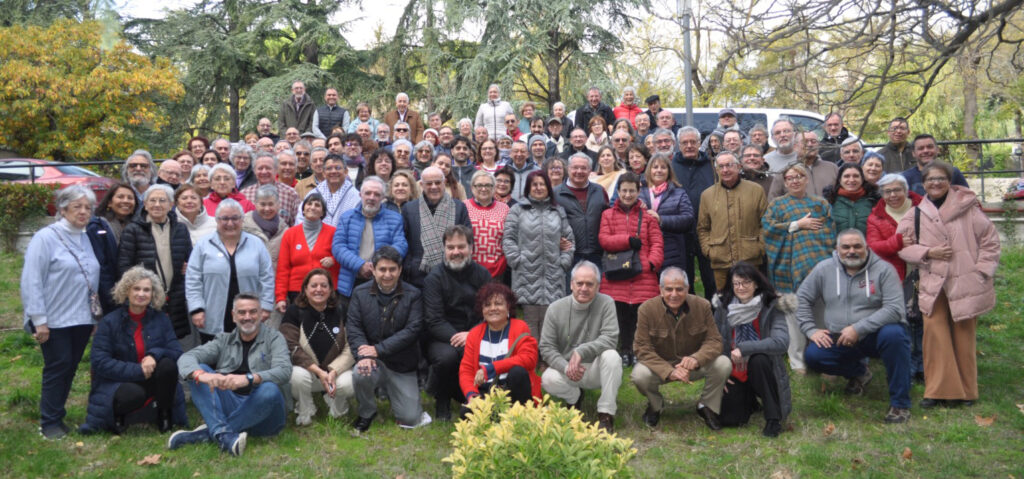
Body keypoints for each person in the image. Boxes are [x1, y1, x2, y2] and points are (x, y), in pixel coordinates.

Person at [897, 161, 1000, 408]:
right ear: (923, 184)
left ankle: (966, 392)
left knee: (964, 336)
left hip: (966, 282)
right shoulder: (916, 213)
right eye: (930, 179)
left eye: (941, 178)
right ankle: (937, 391)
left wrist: (982, 272)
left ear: (950, 181)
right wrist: (929, 252)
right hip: (933, 282)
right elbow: (903, 247)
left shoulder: (969, 209)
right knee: (935, 336)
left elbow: (990, 241)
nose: (935, 183)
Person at [797, 229, 912, 423]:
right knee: (814, 355)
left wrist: (858, 328)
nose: (852, 251)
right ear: (837, 249)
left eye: (857, 246)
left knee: (896, 336)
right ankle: (860, 373)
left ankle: (899, 404)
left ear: (866, 248)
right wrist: (811, 329)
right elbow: (801, 298)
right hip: (840, 335)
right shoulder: (824, 269)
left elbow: (895, 309)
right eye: (846, 247)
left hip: (877, 335)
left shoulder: (884, 270)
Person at [22, 185, 101, 439]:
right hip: (53, 318)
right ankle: (49, 422)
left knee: (70, 367)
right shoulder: (45, 237)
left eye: (87, 207)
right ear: (63, 209)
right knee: (58, 367)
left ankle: (57, 415)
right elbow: (31, 279)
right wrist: (39, 320)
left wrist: (94, 318)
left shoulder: (86, 236)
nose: (83, 212)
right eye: (77, 206)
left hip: (81, 317)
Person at [169, 294, 290, 456]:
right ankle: (224, 436)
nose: (247, 317)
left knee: (269, 389)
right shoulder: (223, 340)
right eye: (242, 312)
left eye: (253, 312)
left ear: (261, 314)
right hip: (231, 404)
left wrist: (248, 379)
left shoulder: (275, 338)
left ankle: (207, 433)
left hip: (266, 414)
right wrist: (201, 375)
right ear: (233, 316)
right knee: (201, 369)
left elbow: (284, 370)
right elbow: (186, 358)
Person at [80, 266, 186, 435]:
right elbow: (100, 362)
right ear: (126, 291)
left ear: (153, 294)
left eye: (147, 290)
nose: (141, 294)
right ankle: (118, 416)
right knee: (133, 394)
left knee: (167, 365)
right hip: (118, 381)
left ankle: (164, 416)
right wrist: (138, 370)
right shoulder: (109, 322)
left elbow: (176, 351)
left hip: (151, 377)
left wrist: (154, 355)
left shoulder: (161, 319)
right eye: (136, 288)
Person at [631, 267, 732, 430]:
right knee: (639, 375)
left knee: (723, 363)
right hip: (661, 367)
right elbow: (642, 348)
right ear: (660, 290)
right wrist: (668, 370)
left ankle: (706, 406)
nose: (674, 294)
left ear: (687, 289)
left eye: (679, 289)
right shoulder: (646, 309)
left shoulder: (702, 305)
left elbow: (714, 341)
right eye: (669, 289)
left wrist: (696, 358)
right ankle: (656, 406)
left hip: (692, 365)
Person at [347, 246, 431, 431]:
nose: (387, 274)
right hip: (371, 360)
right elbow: (354, 328)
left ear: (400, 270)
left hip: (401, 364)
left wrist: (378, 349)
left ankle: (393, 393)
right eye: (382, 269)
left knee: (410, 418)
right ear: (374, 270)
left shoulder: (414, 295)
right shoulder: (359, 293)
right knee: (360, 373)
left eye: (392, 269)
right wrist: (365, 355)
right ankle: (367, 411)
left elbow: (413, 330)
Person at [761, 162, 835, 372]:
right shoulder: (777, 205)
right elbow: (768, 229)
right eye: (790, 178)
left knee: (820, 313)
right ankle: (798, 360)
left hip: (817, 268)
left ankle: (821, 356)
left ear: (806, 179)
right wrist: (796, 226)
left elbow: (828, 234)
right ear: (784, 182)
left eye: (799, 177)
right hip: (786, 269)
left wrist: (819, 263)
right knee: (792, 316)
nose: (794, 181)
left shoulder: (820, 204)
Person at [712, 263, 793, 437]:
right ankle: (750, 400)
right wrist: (720, 373)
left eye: (746, 282)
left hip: (763, 369)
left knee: (758, 359)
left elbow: (781, 342)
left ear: (756, 283)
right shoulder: (723, 306)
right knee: (730, 420)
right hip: (734, 369)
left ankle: (773, 418)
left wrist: (744, 348)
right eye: (736, 284)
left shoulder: (771, 305)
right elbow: (715, 341)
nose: (741, 288)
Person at [539, 261, 621, 432]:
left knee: (612, 357)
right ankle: (574, 398)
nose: (584, 288)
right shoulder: (555, 309)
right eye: (579, 283)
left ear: (598, 286)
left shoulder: (607, 303)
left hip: (596, 368)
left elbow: (610, 338)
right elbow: (546, 347)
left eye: (589, 284)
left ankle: (605, 415)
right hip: (568, 369)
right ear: (571, 284)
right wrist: (566, 366)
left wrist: (581, 351)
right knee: (547, 378)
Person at [422, 226, 493, 420]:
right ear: (444, 249)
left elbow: (491, 311)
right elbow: (433, 319)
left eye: (461, 246)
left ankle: (474, 395)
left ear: (471, 247)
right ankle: (442, 399)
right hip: (443, 337)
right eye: (450, 247)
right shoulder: (433, 278)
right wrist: (459, 338)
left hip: (477, 332)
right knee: (447, 358)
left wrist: (472, 334)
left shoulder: (483, 275)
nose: (456, 252)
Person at [186, 199, 275, 343]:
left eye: (235, 218)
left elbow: (267, 277)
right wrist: (197, 309)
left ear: (242, 220)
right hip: (212, 314)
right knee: (214, 358)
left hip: (248, 315)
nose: (230, 223)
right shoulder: (203, 245)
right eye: (224, 218)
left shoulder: (256, 244)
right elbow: (193, 280)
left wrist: (265, 306)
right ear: (216, 220)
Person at [599, 172, 664, 366]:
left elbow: (657, 244)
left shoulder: (648, 218)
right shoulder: (607, 215)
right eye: (624, 190)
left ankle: (638, 350)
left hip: (642, 273)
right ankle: (624, 350)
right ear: (618, 191)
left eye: (632, 190)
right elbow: (604, 240)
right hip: (617, 273)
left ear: (638, 192)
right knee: (620, 316)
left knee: (639, 316)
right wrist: (627, 241)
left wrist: (651, 264)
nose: (628, 194)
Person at [503, 171, 575, 340]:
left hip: (553, 272)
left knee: (550, 319)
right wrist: (516, 261)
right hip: (526, 273)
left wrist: (563, 262)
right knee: (530, 319)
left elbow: (569, 240)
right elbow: (508, 238)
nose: (538, 188)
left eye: (542, 184)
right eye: (534, 184)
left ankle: (547, 357)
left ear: (548, 187)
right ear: (528, 187)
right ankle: (531, 356)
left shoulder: (557, 211)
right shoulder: (517, 210)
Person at [867, 174, 925, 381]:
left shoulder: (922, 207)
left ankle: (924, 366)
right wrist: (898, 241)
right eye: (887, 191)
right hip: (898, 276)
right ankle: (909, 365)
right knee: (906, 321)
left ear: (906, 190)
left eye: (897, 190)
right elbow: (874, 247)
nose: (893, 195)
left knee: (924, 320)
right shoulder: (876, 217)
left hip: (926, 270)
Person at [118, 184, 193, 340]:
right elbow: (124, 266)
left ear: (171, 205)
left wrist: (188, 267)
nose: (157, 204)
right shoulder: (133, 230)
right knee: (146, 340)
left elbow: (190, 260)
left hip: (175, 297)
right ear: (145, 204)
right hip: (145, 297)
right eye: (152, 200)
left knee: (173, 342)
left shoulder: (180, 229)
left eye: (162, 200)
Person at [280, 269, 355, 425]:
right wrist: (319, 371)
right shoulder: (294, 312)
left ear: (330, 290)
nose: (319, 290)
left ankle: (338, 408)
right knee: (296, 377)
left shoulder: (342, 310)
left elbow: (351, 346)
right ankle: (305, 409)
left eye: (323, 285)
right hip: (309, 372)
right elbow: (291, 346)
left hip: (335, 373)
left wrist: (334, 371)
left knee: (349, 384)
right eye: (313, 285)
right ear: (305, 289)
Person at [459, 283, 542, 407]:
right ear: (482, 310)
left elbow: (528, 359)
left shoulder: (520, 327)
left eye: (498, 304)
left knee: (518, 372)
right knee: (466, 412)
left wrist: (491, 368)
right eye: (487, 305)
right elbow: (466, 370)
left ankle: (521, 413)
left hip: (513, 391)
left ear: (508, 306)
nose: (492, 308)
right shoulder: (475, 333)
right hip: (486, 392)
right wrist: (472, 395)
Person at [697, 152, 768, 292]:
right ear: (716, 170)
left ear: (739, 167)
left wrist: (760, 247)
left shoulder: (756, 190)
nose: (725, 170)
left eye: (729, 165)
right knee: (724, 302)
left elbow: (765, 223)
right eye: (721, 166)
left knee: (752, 299)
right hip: (720, 261)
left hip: (750, 259)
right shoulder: (707, 195)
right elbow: (703, 228)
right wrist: (709, 251)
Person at [333, 177, 408, 299]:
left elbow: (401, 245)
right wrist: (360, 265)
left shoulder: (395, 218)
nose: (371, 198)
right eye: (367, 193)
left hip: (382, 279)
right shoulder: (346, 217)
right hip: (351, 281)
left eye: (377, 194)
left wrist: (377, 264)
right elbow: (338, 247)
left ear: (383, 197)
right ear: (360, 194)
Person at [401, 167, 471, 288]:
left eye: (438, 182)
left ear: (444, 183)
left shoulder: (459, 207)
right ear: (422, 185)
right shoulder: (409, 208)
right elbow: (404, 241)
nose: (434, 187)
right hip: (417, 276)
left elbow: (468, 238)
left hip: (452, 273)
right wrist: (409, 266)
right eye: (429, 183)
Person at [672, 127, 717, 300]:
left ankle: (713, 317)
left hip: (708, 229)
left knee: (711, 279)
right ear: (679, 144)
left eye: (693, 142)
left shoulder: (711, 165)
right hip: (681, 231)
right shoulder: (671, 166)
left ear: (699, 143)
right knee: (685, 279)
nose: (689, 145)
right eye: (685, 142)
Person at [275, 194, 339, 312]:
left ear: (323, 212)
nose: (312, 207)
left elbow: (342, 258)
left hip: (324, 292)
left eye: (317, 205)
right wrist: (280, 297)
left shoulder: (333, 233)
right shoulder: (290, 234)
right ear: (303, 210)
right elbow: (283, 269)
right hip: (297, 291)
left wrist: (333, 260)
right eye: (309, 204)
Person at [639, 153, 694, 274]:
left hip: (671, 251)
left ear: (669, 171)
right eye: (655, 167)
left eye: (663, 167)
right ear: (649, 170)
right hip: (645, 250)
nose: (659, 170)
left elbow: (688, 219)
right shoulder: (639, 192)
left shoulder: (679, 193)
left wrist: (661, 219)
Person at [555, 154, 609, 269]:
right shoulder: (555, 194)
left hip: (597, 255)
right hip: (568, 254)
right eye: (575, 167)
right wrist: (555, 239)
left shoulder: (599, 191)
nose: (579, 171)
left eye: (584, 168)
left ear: (590, 170)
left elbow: (609, 218)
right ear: (568, 169)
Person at [464, 170, 510, 279]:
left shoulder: (505, 209)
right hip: (468, 270)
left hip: (497, 271)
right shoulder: (463, 207)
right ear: (472, 188)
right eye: (479, 185)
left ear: (494, 188)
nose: (483, 189)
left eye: (488, 185)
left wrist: (502, 264)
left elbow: (509, 239)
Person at [768, 131, 839, 201]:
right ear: (795, 147)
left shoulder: (832, 168)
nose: (810, 144)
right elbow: (773, 202)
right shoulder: (785, 172)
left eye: (813, 141)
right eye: (805, 141)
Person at [240, 152, 300, 226]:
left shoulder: (290, 194)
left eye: (268, 168)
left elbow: (296, 226)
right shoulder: (244, 194)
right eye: (260, 168)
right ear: (254, 171)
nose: (264, 171)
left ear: (276, 170)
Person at [241, 185, 289, 277]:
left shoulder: (285, 231)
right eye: (262, 204)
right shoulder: (242, 225)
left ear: (278, 205)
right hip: (248, 282)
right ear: (255, 204)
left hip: (274, 283)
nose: (267, 209)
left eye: (271, 204)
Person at [901, 134, 969, 196]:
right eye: (921, 148)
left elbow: (967, 197)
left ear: (937, 150)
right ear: (913, 153)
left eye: (930, 147)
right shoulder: (905, 177)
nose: (926, 151)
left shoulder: (953, 172)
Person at [826, 163, 880, 235]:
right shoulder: (829, 200)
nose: (851, 180)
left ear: (862, 179)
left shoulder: (874, 199)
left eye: (856, 176)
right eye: (846, 176)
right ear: (839, 179)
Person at [311, 154, 360, 226]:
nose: (333, 171)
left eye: (338, 168)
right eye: (329, 168)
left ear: (346, 171)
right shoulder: (313, 194)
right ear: (324, 173)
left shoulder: (356, 197)